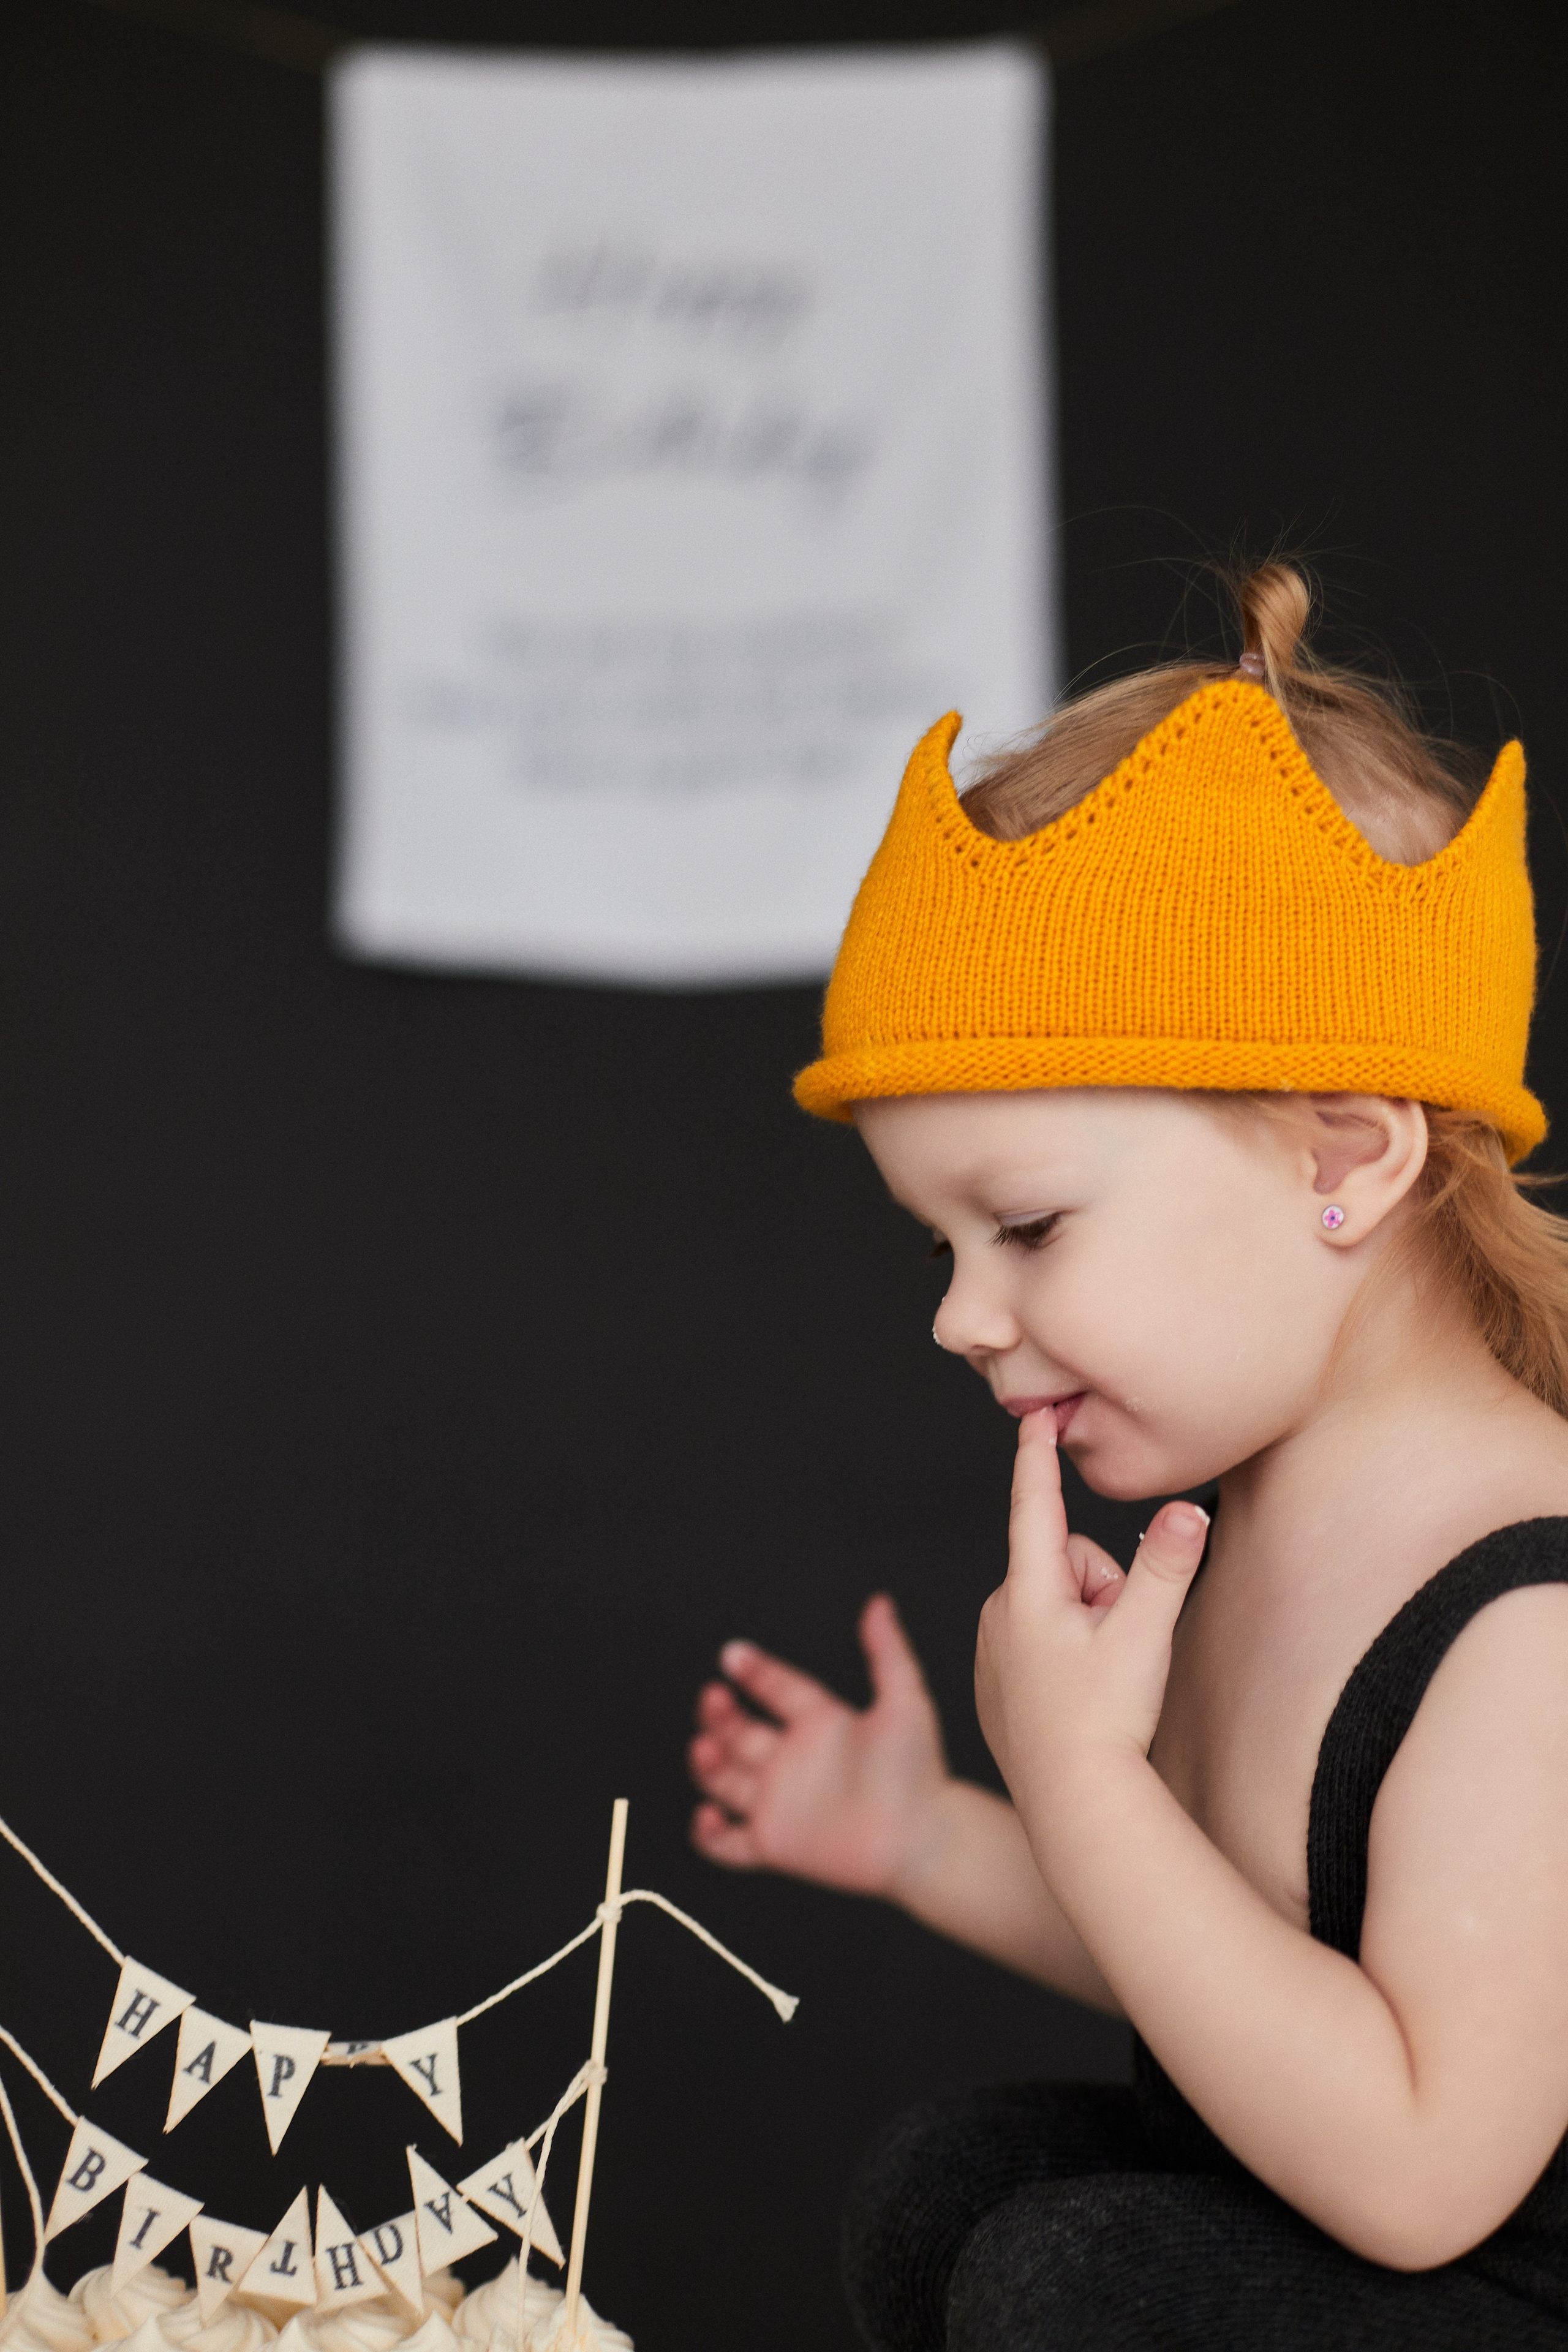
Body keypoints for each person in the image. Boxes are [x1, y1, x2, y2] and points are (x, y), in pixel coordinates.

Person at [685, 563, 1568, 2349]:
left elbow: (1418, 2169)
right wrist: (937, 1836)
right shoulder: (1239, 1523)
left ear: (1346, 1154)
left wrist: (1085, 1786)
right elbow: (1220, 1973)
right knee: (955, 2184)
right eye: (944, 1254)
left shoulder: (1523, 1615)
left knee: (1074, 2280)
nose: (959, 1318)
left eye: (1027, 1228)